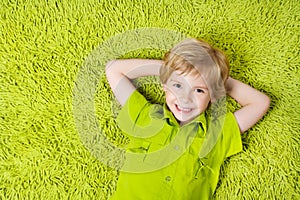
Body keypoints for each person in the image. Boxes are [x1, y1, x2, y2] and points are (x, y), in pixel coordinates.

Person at [106, 38, 270, 200]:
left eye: (199, 90)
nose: (185, 98)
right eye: (178, 85)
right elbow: (113, 69)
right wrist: (169, 69)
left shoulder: (217, 133)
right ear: (165, 85)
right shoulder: (145, 116)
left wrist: (216, 80)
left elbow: (260, 102)